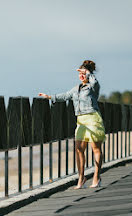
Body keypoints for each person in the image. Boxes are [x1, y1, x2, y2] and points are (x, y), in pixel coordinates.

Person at [39, 60, 105, 189]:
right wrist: (49, 97)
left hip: (92, 118)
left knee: (96, 149)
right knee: (79, 149)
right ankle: (81, 178)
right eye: (80, 73)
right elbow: (65, 96)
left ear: (88, 74)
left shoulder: (93, 87)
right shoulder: (76, 89)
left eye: (83, 73)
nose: (81, 76)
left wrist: (88, 73)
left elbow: (95, 82)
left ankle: (96, 176)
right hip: (80, 120)